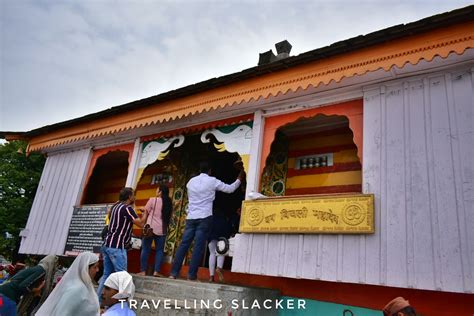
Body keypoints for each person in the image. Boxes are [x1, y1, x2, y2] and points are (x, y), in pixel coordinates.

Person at [169, 161, 244, 281]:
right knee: (199, 246)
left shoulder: (190, 182)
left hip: (191, 217)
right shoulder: (212, 180)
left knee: (184, 244)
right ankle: (191, 275)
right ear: (210, 171)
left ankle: (173, 273)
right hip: (204, 217)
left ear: (199, 170)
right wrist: (240, 178)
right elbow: (230, 189)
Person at [97, 187, 148, 301]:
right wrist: (145, 214)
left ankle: (98, 302)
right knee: (122, 276)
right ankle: (122, 306)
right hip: (117, 246)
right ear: (129, 197)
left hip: (107, 244)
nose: (135, 197)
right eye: (133, 195)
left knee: (106, 275)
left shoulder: (115, 207)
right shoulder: (127, 208)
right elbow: (140, 224)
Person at [208, 158, 246, 283]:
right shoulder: (227, 192)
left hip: (212, 223)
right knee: (221, 249)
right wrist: (240, 177)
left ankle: (211, 276)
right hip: (224, 223)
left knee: (212, 251)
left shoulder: (212, 193)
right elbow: (232, 189)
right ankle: (219, 268)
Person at [35, 252, 100, 316]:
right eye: (95, 267)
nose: (97, 270)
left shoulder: (85, 286)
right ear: (85, 268)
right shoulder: (77, 289)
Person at [139, 184, 173, 277]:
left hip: (150, 228)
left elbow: (146, 212)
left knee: (146, 249)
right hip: (162, 229)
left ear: (160, 192)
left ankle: (143, 271)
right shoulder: (168, 203)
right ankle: (156, 271)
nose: (156, 192)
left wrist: (143, 210)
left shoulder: (152, 200)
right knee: (159, 251)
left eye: (157, 190)